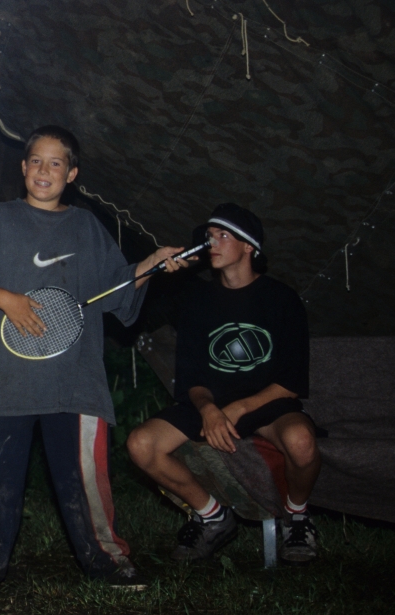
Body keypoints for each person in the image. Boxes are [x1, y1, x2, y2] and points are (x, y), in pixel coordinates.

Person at [0, 126, 189, 592]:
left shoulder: (86, 227)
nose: (44, 170)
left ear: (71, 174)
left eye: (56, 163)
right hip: (5, 380)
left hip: (74, 382)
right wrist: (8, 300)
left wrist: (151, 262)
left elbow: (116, 288)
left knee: (84, 480)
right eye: (36, 160)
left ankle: (108, 560)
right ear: (23, 167)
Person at [126, 203, 321, 564]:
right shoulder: (198, 300)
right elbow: (192, 378)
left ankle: (297, 517)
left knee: (302, 441)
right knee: (141, 444)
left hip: (265, 403)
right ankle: (213, 516)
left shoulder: (281, 299)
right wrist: (209, 409)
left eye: (222, 236)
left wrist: (239, 408)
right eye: (209, 236)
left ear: (249, 247)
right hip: (211, 404)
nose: (211, 243)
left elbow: (291, 382)